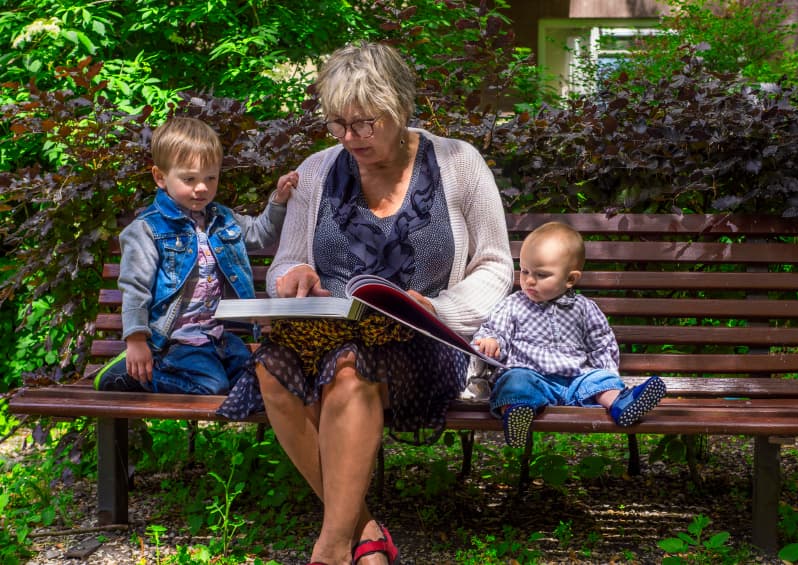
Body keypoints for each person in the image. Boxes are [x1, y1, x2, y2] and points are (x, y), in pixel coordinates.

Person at [217, 42, 513, 565]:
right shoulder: (316, 170)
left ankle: (331, 548)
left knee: (349, 370)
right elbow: (284, 264)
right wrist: (294, 277)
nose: (350, 138)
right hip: (327, 334)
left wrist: (438, 307)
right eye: (338, 124)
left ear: (399, 108)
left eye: (364, 124)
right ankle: (366, 533)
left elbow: (495, 266)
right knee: (271, 367)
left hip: (421, 342)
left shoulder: (458, 162)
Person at [94, 116, 297, 394]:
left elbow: (261, 233)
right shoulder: (148, 229)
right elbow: (135, 288)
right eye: (189, 179)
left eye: (210, 178)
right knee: (212, 387)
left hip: (217, 337)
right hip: (173, 342)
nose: (201, 187)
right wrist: (136, 341)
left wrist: (278, 201)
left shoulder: (223, 220)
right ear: (160, 177)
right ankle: (127, 376)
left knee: (258, 379)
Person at [472, 221, 667, 449]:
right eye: (524, 271)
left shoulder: (584, 309)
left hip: (576, 380)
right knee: (513, 381)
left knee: (601, 380)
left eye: (541, 275)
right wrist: (491, 342)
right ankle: (516, 415)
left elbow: (601, 344)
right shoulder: (514, 304)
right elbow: (495, 330)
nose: (529, 281)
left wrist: (605, 373)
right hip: (532, 378)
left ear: (571, 279)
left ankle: (621, 404)